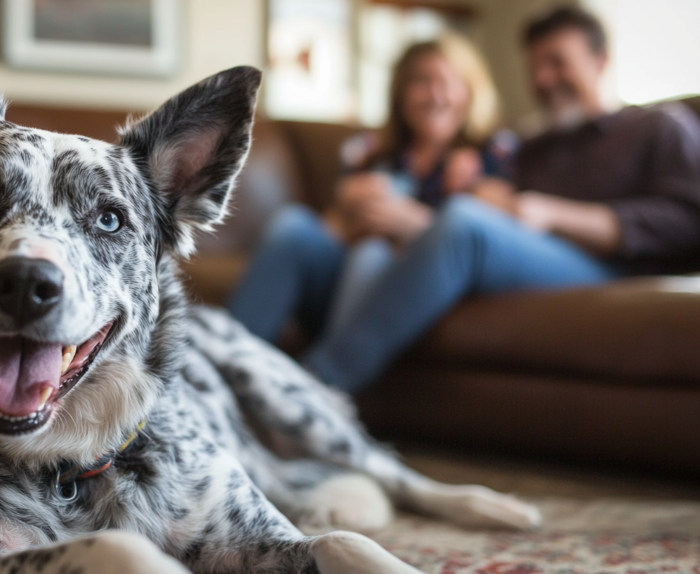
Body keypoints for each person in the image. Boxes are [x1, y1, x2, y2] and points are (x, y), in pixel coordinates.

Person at [241, 6, 700, 395]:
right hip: (512, 252)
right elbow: (496, 204)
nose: (542, 79)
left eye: (558, 63)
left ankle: (316, 390)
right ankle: (212, 381)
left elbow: (687, 220)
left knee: (464, 223)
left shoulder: (658, 126)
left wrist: (549, 212)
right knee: (302, 229)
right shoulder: (530, 144)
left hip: (603, 264)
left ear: (601, 61)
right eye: (536, 67)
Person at [230, 33, 512, 347]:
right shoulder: (372, 153)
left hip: (417, 288)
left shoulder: (492, 153)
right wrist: (350, 213)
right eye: (422, 81)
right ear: (401, 91)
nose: (436, 95)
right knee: (292, 224)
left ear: (472, 90)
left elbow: (494, 240)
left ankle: (329, 372)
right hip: (344, 273)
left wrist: (414, 225)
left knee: (372, 256)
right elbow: (333, 228)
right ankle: (230, 360)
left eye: (450, 81)